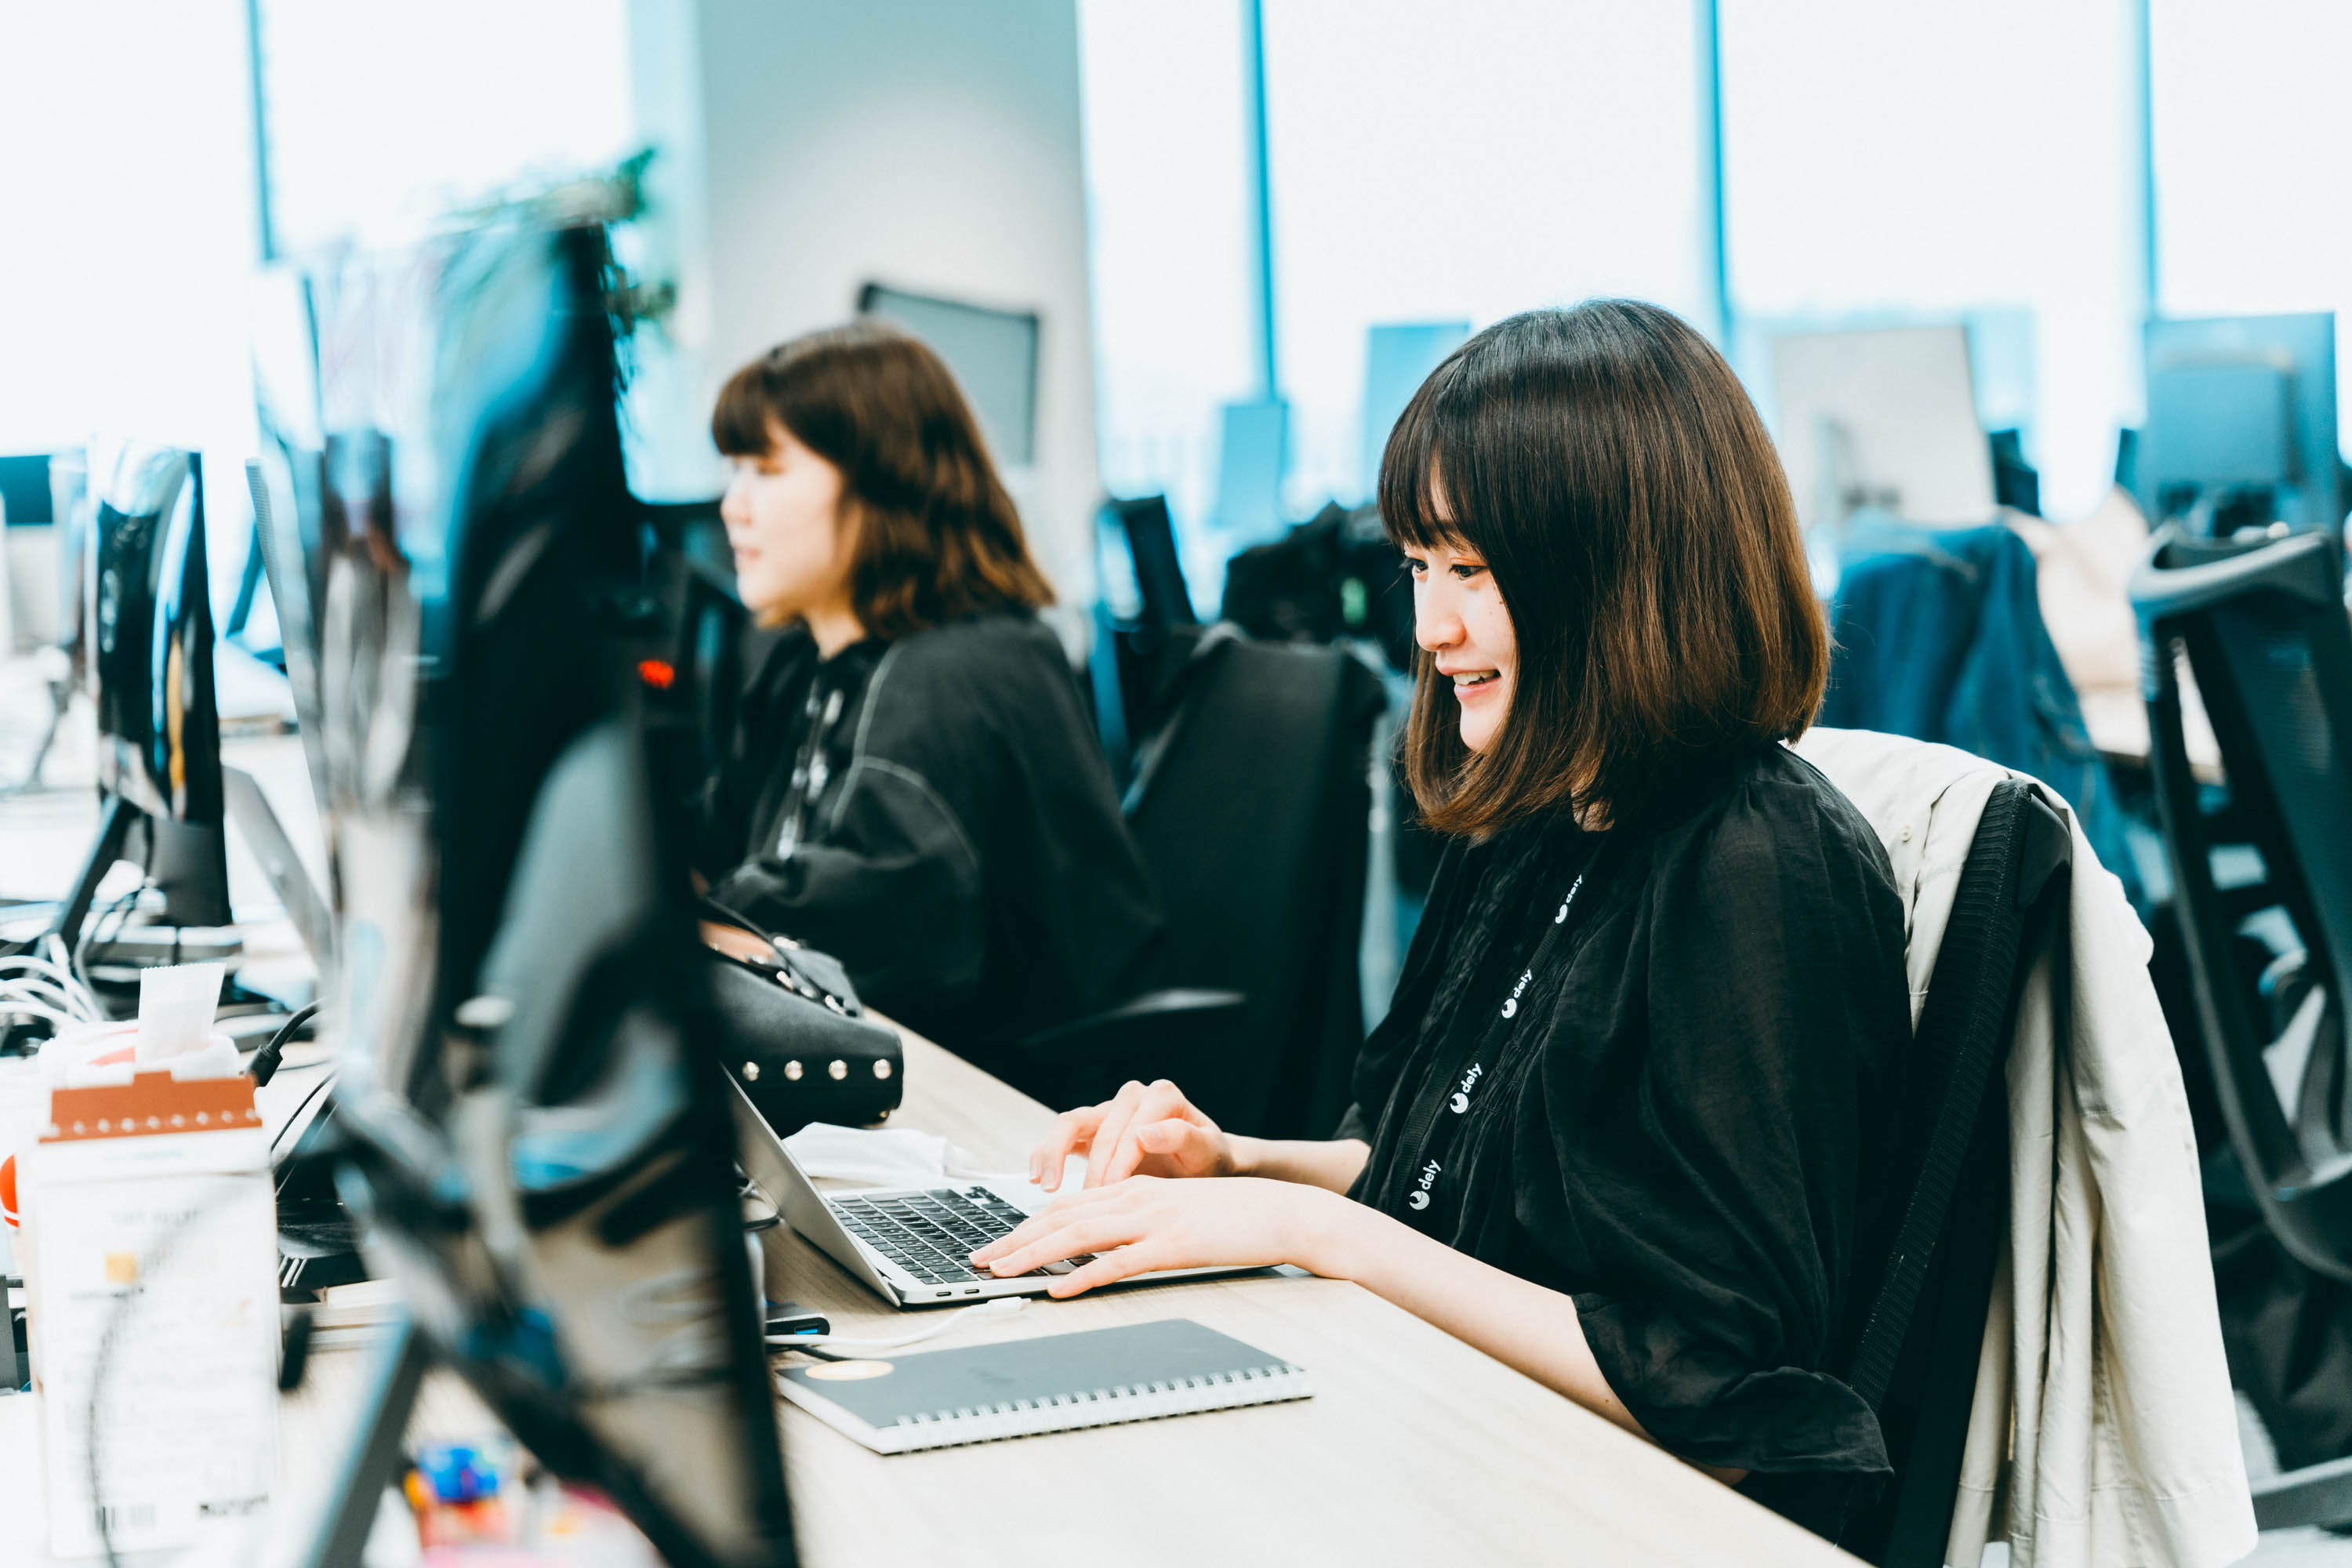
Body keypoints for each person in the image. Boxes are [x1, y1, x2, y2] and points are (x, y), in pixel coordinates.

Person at [969, 301, 1914, 1535]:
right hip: (1448, 1426)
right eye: (1419, 567)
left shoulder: (1757, 868)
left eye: (1471, 569)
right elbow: (1435, 1171)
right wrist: (1237, 1165)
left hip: (1609, 1516)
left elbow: (1719, 1388)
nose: (1429, 628)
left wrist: (1316, 1232)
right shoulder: (1540, 816)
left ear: (1622, 568)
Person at [695, 321, 1161, 1101]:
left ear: (882, 482)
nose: (732, 505)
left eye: (766, 470)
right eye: (734, 470)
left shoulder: (957, 674)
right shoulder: (807, 664)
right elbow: (720, 841)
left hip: (1004, 1105)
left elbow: (868, 926)